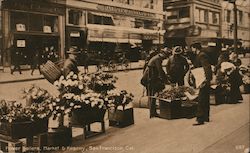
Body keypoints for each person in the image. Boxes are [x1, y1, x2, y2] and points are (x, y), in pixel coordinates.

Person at [141, 48, 170, 118]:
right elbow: (160, 70)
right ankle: (152, 113)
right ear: (163, 54)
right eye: (166, 56)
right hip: (150, 78)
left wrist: (165, 77)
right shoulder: (158, 59)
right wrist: (166, 80)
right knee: (152, 94)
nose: (165, 58)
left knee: (153, 94)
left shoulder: (157, 57)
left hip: (151, 77)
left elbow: (160, 71)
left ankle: (153, 112)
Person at [190, 43, 212, 126]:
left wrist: (206, 79)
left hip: (203, 80)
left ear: (195, 48)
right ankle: (206, 117)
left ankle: (200, 119)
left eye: (192, 48)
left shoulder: (201, 55)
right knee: (205, 98)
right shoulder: (202, 54)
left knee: (201, 99)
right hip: (204, 79)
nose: (192, 50)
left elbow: (206, 67)